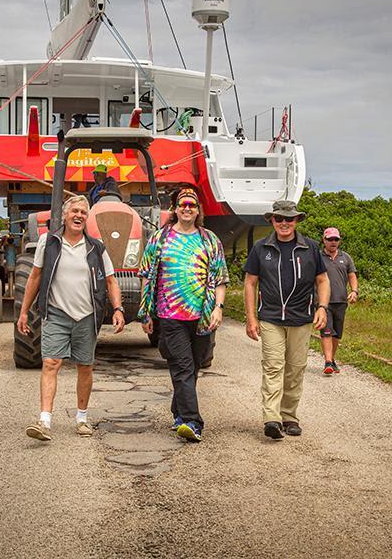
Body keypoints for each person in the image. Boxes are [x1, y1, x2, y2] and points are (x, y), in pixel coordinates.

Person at [18, 195, 125, 442]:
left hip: (87, 316)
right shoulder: (49, 242)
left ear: (87, 219)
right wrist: (24, 311)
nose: (79, 216)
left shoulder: (96, 247)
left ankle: (81, 418)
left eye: (83, 213)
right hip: (56, 313)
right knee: (51, 363)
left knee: (85, 366)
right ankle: (44, 421)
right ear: (65, 215)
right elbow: (35, 277)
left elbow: (110, 280)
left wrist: (118, 308)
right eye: (74, 211)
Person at [138, 187, 229, 443]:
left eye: (192, 205)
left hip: (202, 316)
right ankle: (192, 421)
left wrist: (218, 309)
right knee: (182, 366)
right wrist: (146, 314)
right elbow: (146, 276)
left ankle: (178, 412)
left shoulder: (209, 240)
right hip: (170, 315)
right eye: (183, 204)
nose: (187, 208)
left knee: (194, 366)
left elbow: (221, 279)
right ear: (175, 209)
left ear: (198, 210)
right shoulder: (160, 238)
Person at [243, 200, 330, 440]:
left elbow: (322, 280)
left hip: (301, 317)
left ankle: (289, 416)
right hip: (270, 317)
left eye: (289, 219)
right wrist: (251, 318)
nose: (284, 223)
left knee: (295, 369)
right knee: (273, 366)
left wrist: (322, 308)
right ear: (271, 220)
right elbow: (250, 283)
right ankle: (271, 418)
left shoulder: (310, 248)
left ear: (296, 221)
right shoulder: (261, 248)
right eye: (279, 218)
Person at [319, 227, 358, 375]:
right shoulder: (318, 257)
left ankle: (332, 359)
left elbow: (352, 275)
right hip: (323, 303)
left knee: (337, 334)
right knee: (327, 331)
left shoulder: (346, 257)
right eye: (330, 239)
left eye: (336, 239)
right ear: (324, 240)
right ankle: (328, 362)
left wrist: (354, 291)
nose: (333, 242)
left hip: (341, 300)